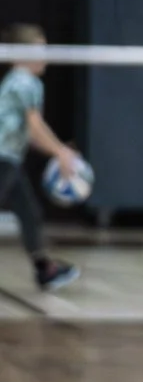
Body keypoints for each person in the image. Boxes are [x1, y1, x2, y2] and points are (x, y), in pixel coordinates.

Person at [0, 27, 83, 290]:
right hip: (2, 160)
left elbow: (31, 136)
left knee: (29, 212)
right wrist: (60, 152)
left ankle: (45, 269)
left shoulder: (18, 81)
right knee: (28, 212)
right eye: (38, 50)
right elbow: (35, 127)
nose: (45, 56)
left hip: (10, 159)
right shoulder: (25, 82)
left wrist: (58, 149)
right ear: (18, 55)